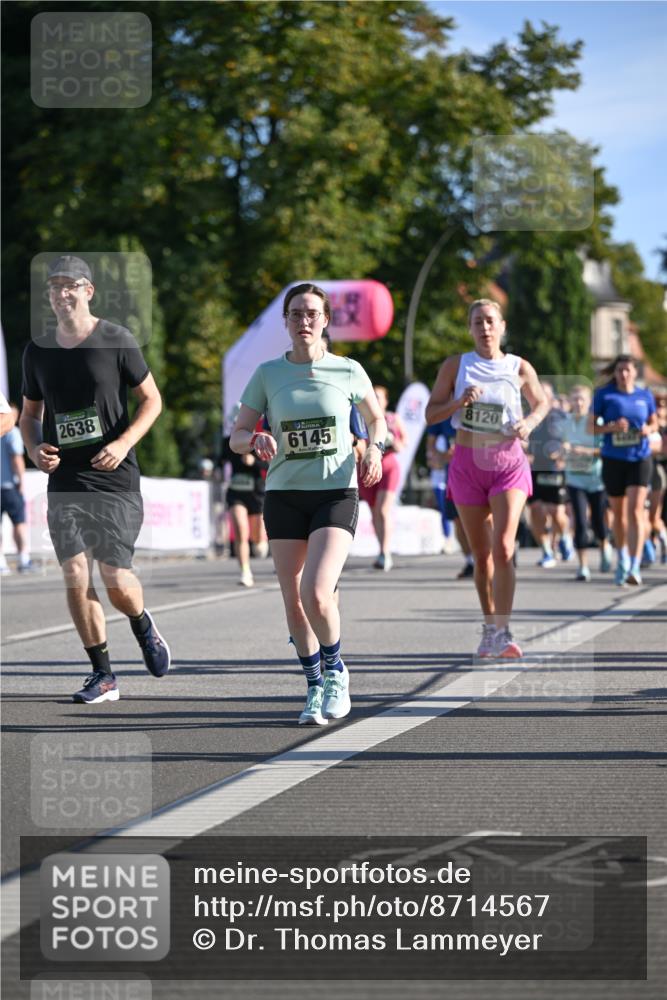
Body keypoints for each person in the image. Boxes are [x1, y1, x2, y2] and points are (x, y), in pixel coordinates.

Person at [230, 283, 386, 725]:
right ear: (285, 321)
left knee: (316, 591)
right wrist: (254, 437)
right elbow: (236, 433)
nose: (304, 321)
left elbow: (376, 419)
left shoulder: (348, 370)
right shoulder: (267, 374)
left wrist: (374, 448)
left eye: (312, 314)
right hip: (283, 495)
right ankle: (314, 684)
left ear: (326, 321)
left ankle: (336, 671)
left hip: (336, 491)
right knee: (294, 602)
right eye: (296, 314)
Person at [20, 255, 171, 703]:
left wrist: (124, 444)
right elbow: (31, 414)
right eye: (54, 287)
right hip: (65, 479)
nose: (61, 293)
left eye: (70, 285)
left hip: (114, 478)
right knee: (74, 573)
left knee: (116, 579)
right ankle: (102, 674)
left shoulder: (115, 339)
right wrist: (32, 447)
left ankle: (142, 622)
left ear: (88, 291)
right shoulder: (38, 351)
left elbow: (152, 402)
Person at [425, 299, 548, 658]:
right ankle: (489, 625)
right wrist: (458, 403)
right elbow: (432, 414)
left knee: (505, 547)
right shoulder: (455, 366)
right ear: (470, 328)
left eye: (490, 321)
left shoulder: (519, 367)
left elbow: (541, 403)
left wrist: (529, 423)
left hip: (508, 461)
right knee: (481, 556)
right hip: (467, 463)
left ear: (502, 326)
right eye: (477, 322)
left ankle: (503, 630)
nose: (485, 328)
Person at [590, 354, 658, 586]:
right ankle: (622, 558)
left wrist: (649, 429)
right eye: (620, 370)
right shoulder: (604, 395)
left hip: (640, 458)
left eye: (628, 370)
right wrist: (610, 427)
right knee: (618, 514)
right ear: (615, 372)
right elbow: (591, 427)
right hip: (613, 458)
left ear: (635, 372)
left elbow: (654, 422)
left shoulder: (645, 395)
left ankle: (635, 565)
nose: (624, 374)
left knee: (636, 511)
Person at [561, 385, 612, 580]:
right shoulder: (565, 423)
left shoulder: (596, 422)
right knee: (580, 522)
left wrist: (585, 451)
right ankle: (583, 566)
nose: (578, 403)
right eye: (575, 399)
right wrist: (562, 450)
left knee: (599, 521)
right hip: (575, 478)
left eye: (582, 399)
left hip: (596, 479)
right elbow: (561, 444)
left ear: (589, 402)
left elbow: (604, 449)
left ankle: (604, 544)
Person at [358, 385, 407, 571]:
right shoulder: (362, 419)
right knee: (374, 512)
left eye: (379, 397)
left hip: (388, 468)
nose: (376, 400)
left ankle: (385, 552)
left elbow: (403, 444)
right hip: (366, 469)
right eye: (373, 397)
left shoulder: (393, 420)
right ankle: (381, 550)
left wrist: (392, 441)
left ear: (386, 401)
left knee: (383, 509)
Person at [527, 383, 574, 568]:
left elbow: (571, 440)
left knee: (556, 512)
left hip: (555, 469)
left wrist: (563, 453)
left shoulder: (561, 417)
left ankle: (565, 537)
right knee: (536, 510)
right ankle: (547, 551)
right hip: (534, 468)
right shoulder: (529, 416)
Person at [425, 419, 474, 577]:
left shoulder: (482, 402)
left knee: (486, 518)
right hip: (454, 474)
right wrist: (441, 455)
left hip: (482, 471)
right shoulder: (445, 410)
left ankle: (494, 557)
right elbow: (431, 443)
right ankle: (471, 561)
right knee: (458, 520)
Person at [222, 419, 268, 586]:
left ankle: (259, 541)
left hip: (256, 492)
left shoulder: (259, 439)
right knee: (241, 531)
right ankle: (245, 572)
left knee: (257, 538)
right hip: (236, 492)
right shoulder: (227, 442)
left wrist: (253, 462)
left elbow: (269, 464)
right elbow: (221, 460)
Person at [0, 401, 37, 574]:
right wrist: (22, 482)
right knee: (19, 524)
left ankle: (1, 563)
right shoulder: (12, 433)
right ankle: (23, 559)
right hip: (9, 486)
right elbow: (17, 459)